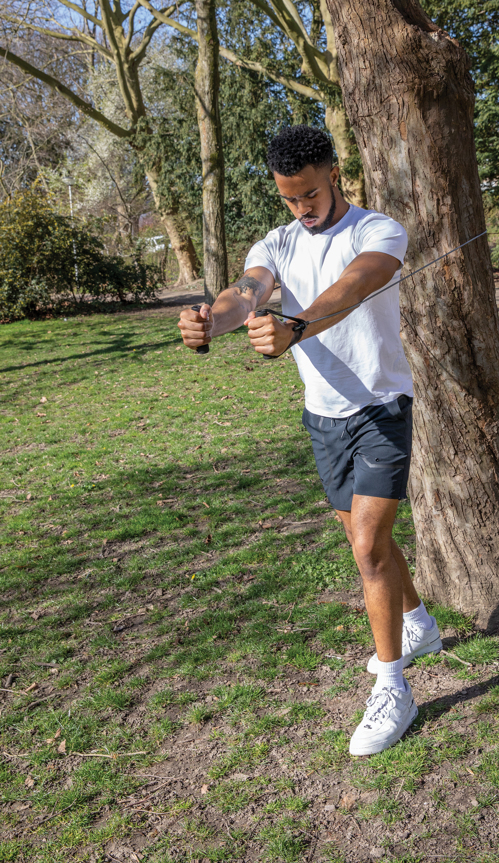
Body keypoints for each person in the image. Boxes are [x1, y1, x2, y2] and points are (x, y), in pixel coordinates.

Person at [178, 125, 442, 755]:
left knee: (368, 548)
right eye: (289, 199)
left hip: (380, 408)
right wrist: (211, 320)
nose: (302, 209)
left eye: (310, 195)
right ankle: (418, 624)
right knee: (365, 540)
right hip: (322, 417)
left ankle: (392, 687)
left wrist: (296, 327)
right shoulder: (277, 242)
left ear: (332, 173)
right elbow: (250, 290)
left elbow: (352, 288)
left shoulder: (378, 230)